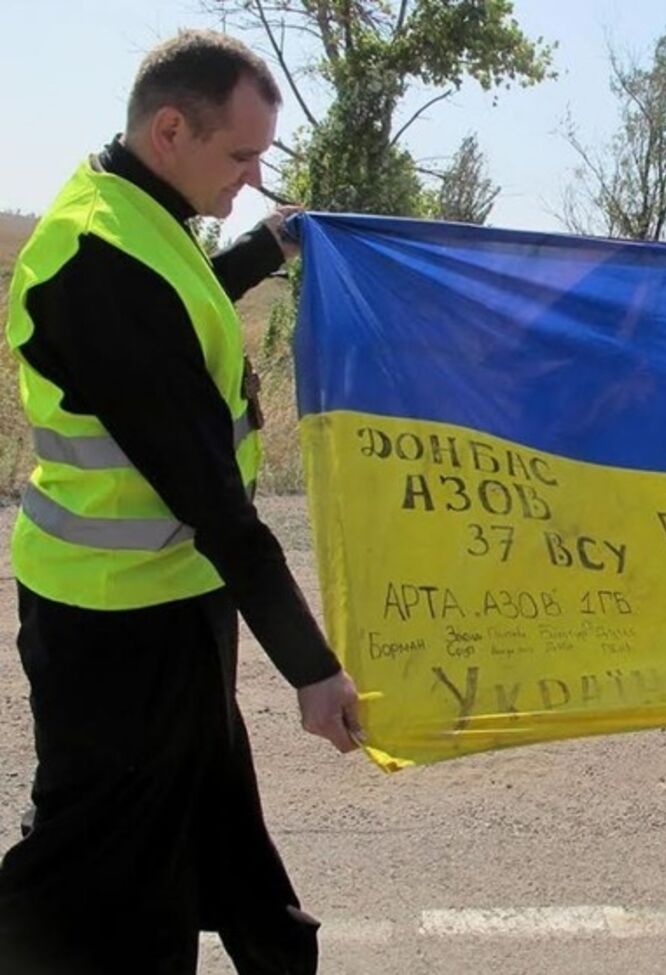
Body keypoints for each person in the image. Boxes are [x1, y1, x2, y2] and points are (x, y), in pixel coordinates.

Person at [0, 30, 361, 974]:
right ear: (171, 128)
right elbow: (210, 493)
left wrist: (266, 246)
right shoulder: (93, 261)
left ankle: (277, 953)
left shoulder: (138, 215)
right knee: (89, 874)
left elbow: (182, 297)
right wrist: (311, 667)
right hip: (112, 621)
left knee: (216, 818)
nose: (251, 176)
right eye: (240, 156)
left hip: (171, 598)